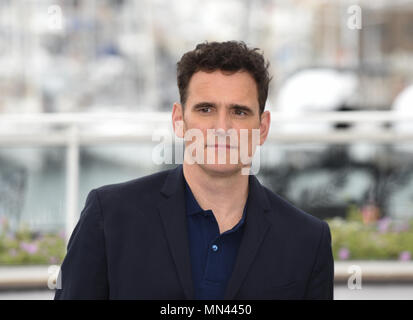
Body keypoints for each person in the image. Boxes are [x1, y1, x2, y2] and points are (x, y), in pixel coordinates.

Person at [54, 41, 334, 300]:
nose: (222, 128)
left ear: (262, 128)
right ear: (179, 120)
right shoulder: (110, 216)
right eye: (205, 109)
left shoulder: (307, 240)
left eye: (239, 112)